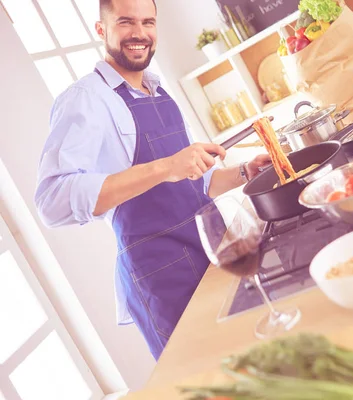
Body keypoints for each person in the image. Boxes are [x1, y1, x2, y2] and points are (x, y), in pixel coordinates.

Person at [34, 0, 270, 360]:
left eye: (149, 22)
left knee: (253, 358)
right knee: (206, 377)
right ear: (102, 29)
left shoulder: (159, 92)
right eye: (126, 22)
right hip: (161, 277)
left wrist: (243, 173)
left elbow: (197, 183)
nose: (140, 33)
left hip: (211, 252)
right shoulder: (85, 99)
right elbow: (51, 201)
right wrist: (164, 167)